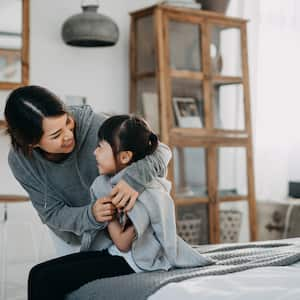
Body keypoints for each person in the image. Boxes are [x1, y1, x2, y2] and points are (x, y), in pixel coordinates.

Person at [27, 115, 212, 300]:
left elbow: (123, 243)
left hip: (135, 261)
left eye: (100, 147)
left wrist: (111, 217)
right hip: (116, 253)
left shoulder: (142, 192)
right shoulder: (107, 184)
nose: (94, 153)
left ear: (124, 156)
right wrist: (101, 213)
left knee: (47, 278)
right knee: (37, 272)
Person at [4, 85, 172, 256]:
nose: (68, 135)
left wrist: (133, 179)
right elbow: (52, 213)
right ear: (32, 144)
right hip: (72, 237)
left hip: (120, 231)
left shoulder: (97, 125)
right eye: (56, 135)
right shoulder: (21, 162)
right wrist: (91, 214)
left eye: (67, 122)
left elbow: (162, 152)